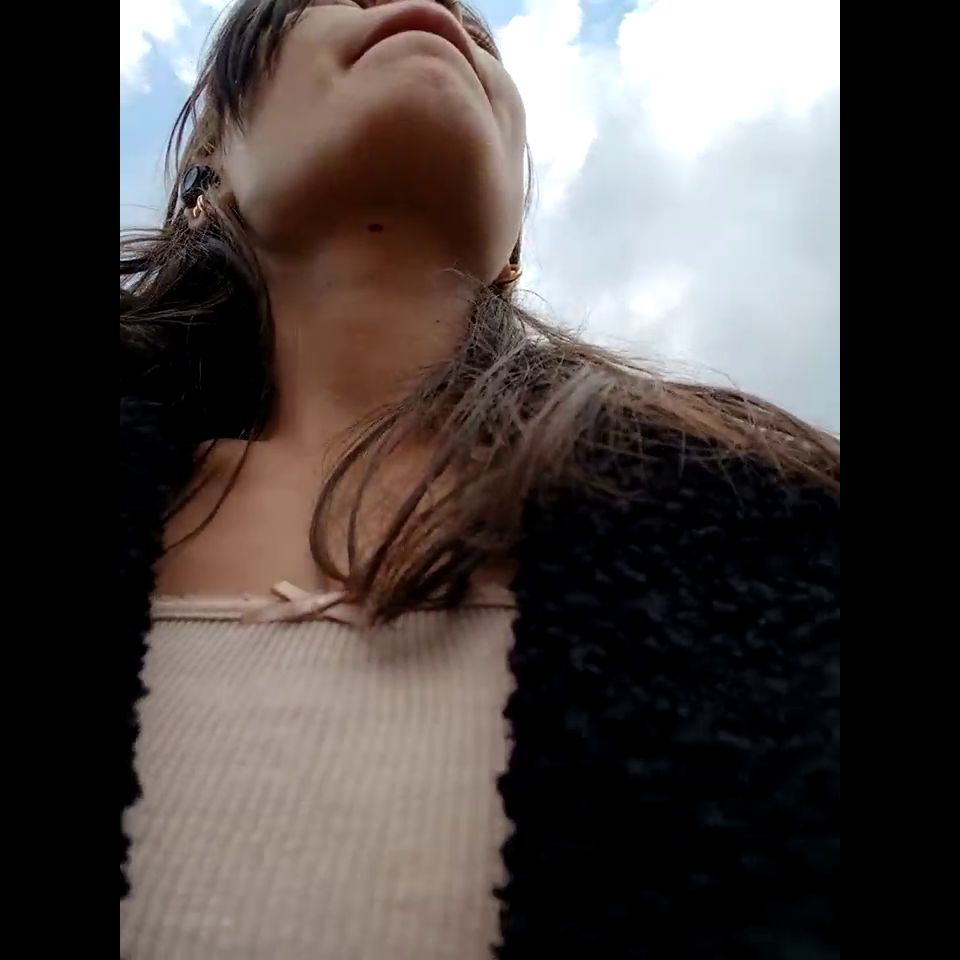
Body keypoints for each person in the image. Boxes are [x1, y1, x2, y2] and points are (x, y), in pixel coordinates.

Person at [119, 1, 840, 957]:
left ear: (513, 251)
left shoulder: (773, 514)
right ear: (208, 166)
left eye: (480, 34)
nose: (433, 10)